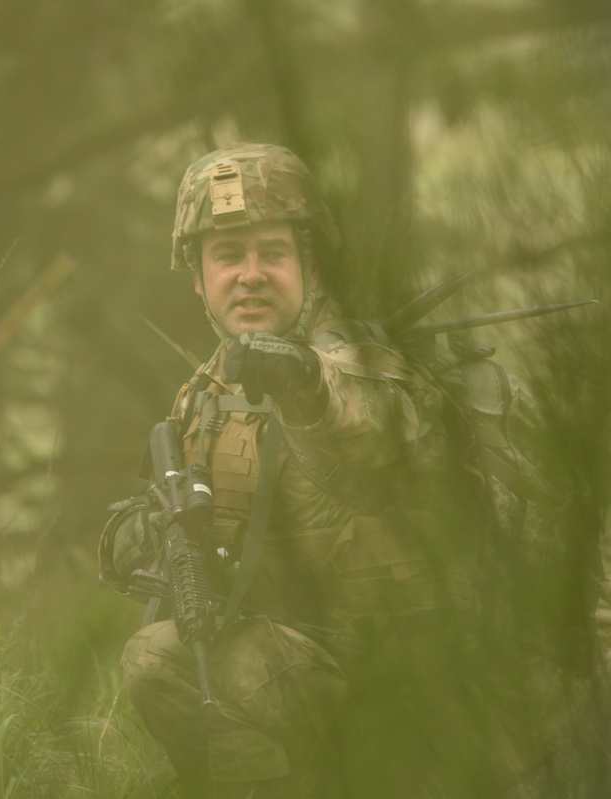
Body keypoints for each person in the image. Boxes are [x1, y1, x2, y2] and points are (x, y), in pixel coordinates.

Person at [99, 144, 521, 798]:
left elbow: (375, 414)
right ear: (197, 277)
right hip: (299, 683)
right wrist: (145, 531)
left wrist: (304, 383)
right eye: (227, 256)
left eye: (273, 253)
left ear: (312, 267)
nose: (251, 274)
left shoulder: (369, 358)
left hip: (420, 690)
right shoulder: (203, 395)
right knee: (156, 660)